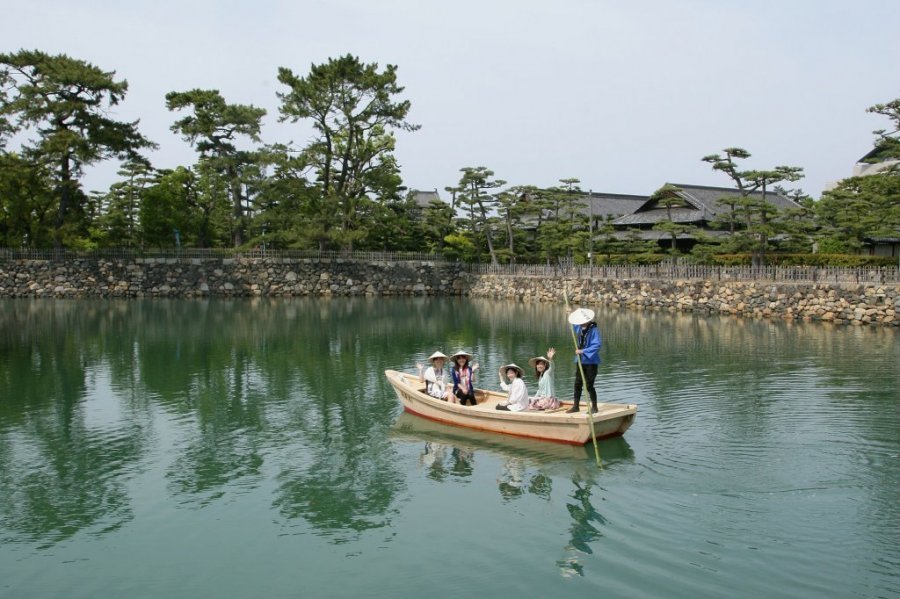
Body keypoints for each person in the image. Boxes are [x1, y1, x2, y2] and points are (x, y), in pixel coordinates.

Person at [567, 308, 601, 414]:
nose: (580, 323)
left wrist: (583, 351)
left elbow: (597, 345)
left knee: (589, 385)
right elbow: (573, 326)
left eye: (582, 321)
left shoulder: (594, 330)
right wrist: (570, 313)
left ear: (587, 320)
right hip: (580, 361)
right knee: (577, 383)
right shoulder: (580, 328)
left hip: (591, 361)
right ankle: (576, 406)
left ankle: (594, 407)